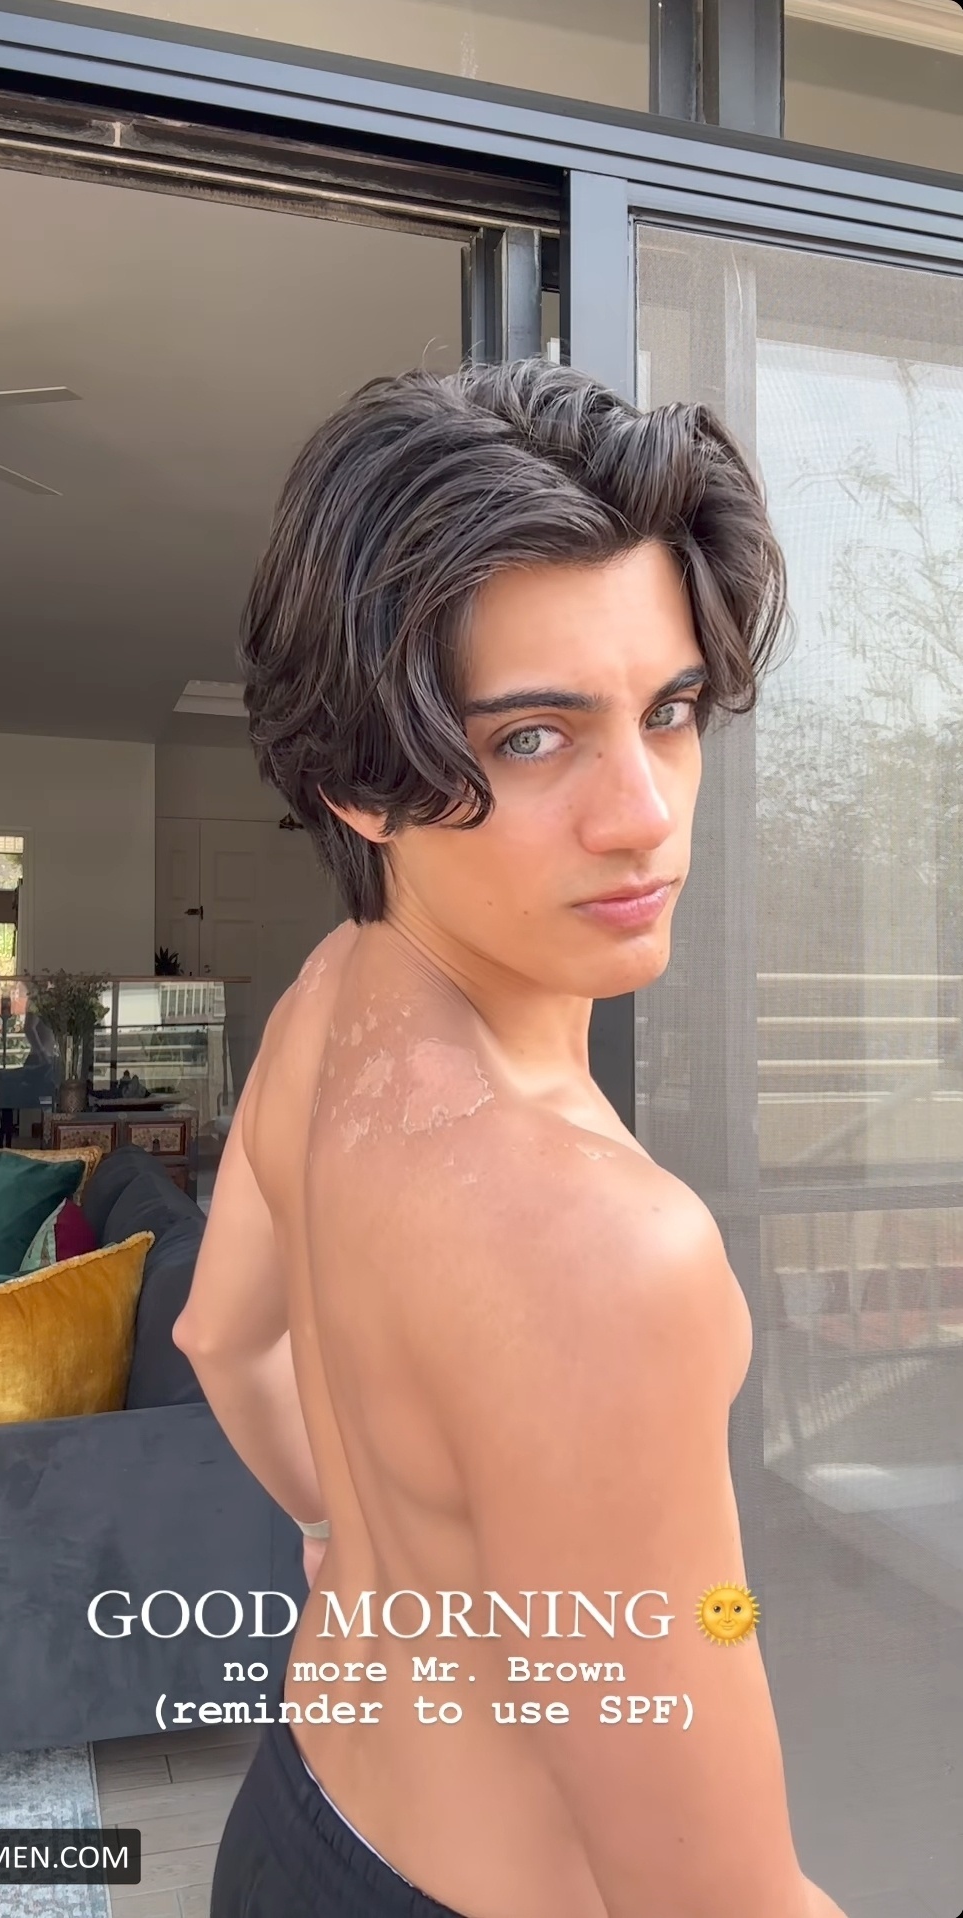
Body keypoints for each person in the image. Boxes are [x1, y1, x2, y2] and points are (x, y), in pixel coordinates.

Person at [174, 360, 847, 1918]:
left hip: (297, 1823)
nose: (644, 812)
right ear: (357, 785)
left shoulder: (328, 1000)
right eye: (537, 738)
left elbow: (224, 1337)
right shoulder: (600, 1248)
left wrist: (364, 1535)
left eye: (668, 710)